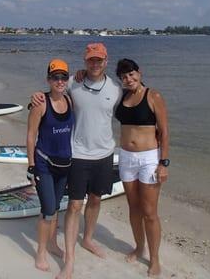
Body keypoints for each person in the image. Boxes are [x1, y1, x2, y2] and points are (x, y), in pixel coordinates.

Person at [31, 43, 123, 279]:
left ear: (106, 60)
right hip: (78, 155)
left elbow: (132, 108)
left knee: (95, 199)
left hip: (104, 154)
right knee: (73, 205)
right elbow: (52, 93)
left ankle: (89, 239)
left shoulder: (116, 88)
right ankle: (69, 262)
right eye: (91, 60)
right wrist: (35, 98)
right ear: (85, 61)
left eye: (99, 60)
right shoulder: (73, 82)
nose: (95, 64)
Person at [114, 58, 169, 277]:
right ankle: (139, 247)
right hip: (126, 158)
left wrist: (163, 163)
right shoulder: (123, 96)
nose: (129, 79)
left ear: (139, 72)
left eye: (131, 74)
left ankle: (154, 259)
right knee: (134, 208)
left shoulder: (153, 96)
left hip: (149, 159)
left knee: (149, 212)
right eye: (124, 76)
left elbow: (164, 132)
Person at [27, 59, 74, 272]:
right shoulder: (40, 103)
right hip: (44, 163)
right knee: (47, 210)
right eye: (56, 77)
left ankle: (53, 244)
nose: (60, 81)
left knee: (56, 208)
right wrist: (31, 165)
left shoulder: (71, 101)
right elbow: (30, 135)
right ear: (48, 79)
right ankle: (41, 252)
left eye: (64, 76)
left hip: (64, 164)